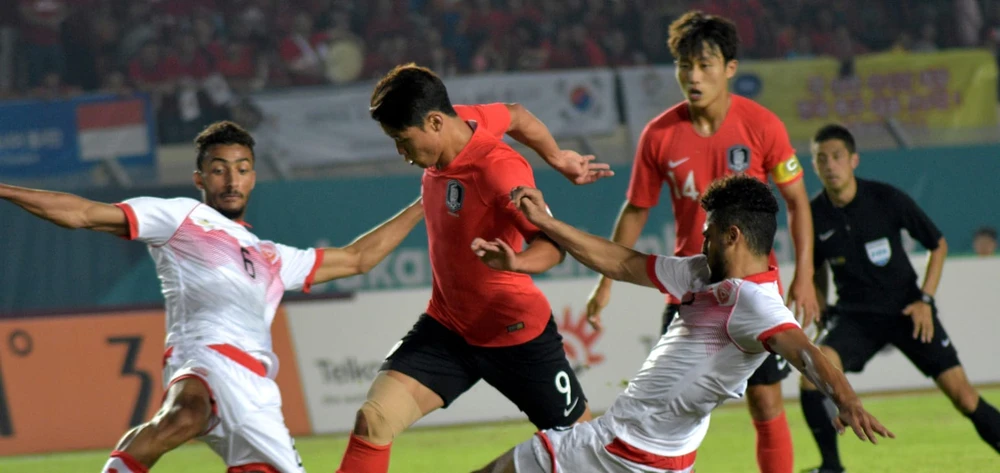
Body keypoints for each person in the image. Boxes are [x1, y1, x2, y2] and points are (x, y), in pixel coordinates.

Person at [0, 121, 426, 473]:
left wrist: (425, 202)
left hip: (257, 392)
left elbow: (357, 258)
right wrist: (6, 190)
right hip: (206, 354)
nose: (232, 179)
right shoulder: (181, 216)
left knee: (188, 420)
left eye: (242, 168)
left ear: (253, 177)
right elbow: (83, 214)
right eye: (219, 169)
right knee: (184, 415)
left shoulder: (273, 256)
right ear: (199, 179)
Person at [473, 175, 893, 473]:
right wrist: (546, 223)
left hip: (621, 447)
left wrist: (847, 402)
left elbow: (805, 353)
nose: (701, 242)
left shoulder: (754, 303)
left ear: (732, 236)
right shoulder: (701, 273)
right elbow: (622, 262)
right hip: (664, 457)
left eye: (708, 234)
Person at [584, 11, 818, 472]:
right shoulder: (659, 134)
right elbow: (636, 208)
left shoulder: (763, 125)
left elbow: (797, 201)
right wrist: (604, 282)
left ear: (730, 68)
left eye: (705, 65)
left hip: (751, 293)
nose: (693, 77)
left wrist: (805, 276)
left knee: (766, 403)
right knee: (665, 413)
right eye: (684, 65)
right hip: (690, 292)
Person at [335, 64, 593, 473]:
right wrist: (558, 157)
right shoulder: (464, 119)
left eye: (403, 140)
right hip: (448, 329)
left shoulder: (499, 170)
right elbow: (517, 114)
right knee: (374, 420)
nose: (401, 153)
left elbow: (553, 245)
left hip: (515, 335)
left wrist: (517, 262)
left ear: (435, 122)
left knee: (584, 450)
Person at [801, 124, 1000, 473]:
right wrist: (820, 306)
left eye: (837, 156)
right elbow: (817, 268)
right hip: (856, 318)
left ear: (853, 160)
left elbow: (938, 244)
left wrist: (925, 300)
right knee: (810, 375)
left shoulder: (886, 198)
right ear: (814, 166)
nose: (830, 165)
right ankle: (831, 466)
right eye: (821, 159)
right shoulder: (813, 215)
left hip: (908, 312)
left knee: (964, 397)